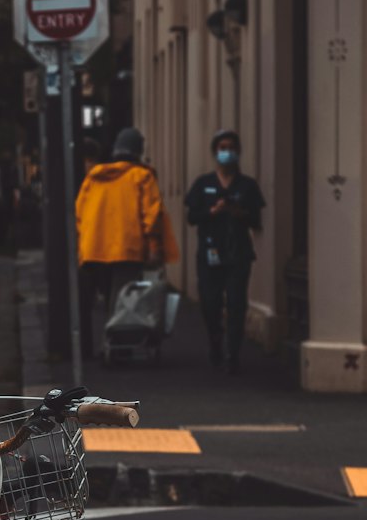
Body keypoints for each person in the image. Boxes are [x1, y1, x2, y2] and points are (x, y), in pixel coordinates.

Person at [74, 127, 179, 360]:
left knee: (88, 301)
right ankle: (115, 349)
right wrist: (154, 248)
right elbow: (151, 216)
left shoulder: (95, 176)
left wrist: (87, 242)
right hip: (126, 248)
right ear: (138, 151)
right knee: (119, 301)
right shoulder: (142, 176)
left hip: (93, 248)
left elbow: (80, 212)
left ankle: (83, 349)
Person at [184, 129, 265, 373]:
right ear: (215, 152)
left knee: (237, 303)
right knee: (210, 302)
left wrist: (239, 213)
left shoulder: (247, 186)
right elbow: (192, 217)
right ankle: (215, 341)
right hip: (210, 254)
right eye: (222, 147)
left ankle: (233, 352)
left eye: (230, 147)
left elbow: (256, 221)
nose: (226, 152)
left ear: (238, 152)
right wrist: (212, 212)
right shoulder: (203, 184)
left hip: (238, 254)